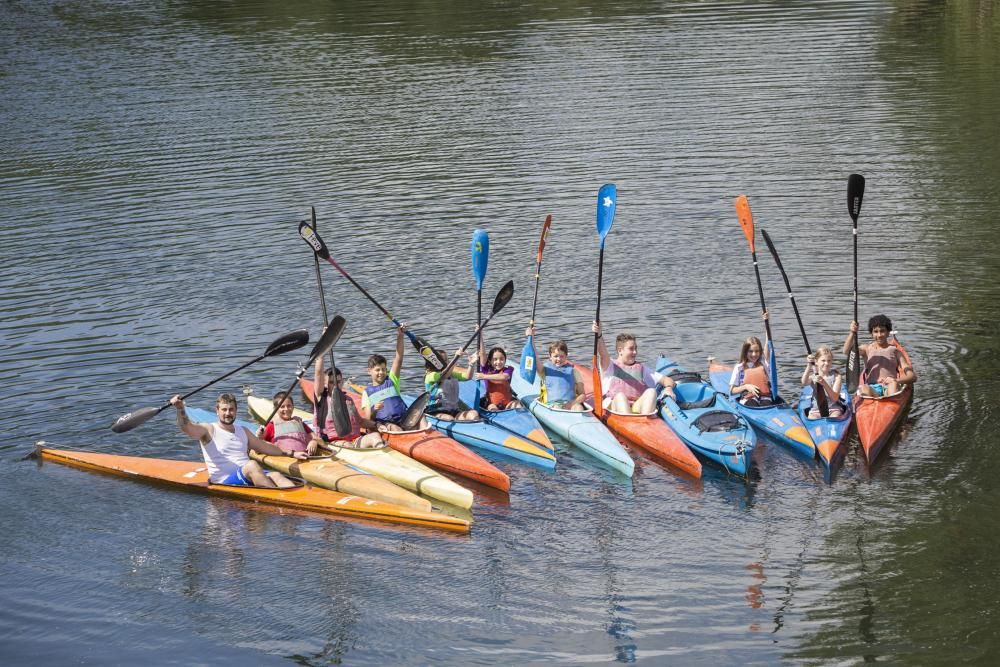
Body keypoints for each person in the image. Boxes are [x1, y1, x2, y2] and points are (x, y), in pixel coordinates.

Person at [170, 392, 304, 488]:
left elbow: (264, 446)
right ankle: (278, 501)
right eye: (224, 410)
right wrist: (180, 408)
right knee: (252, 465)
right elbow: (186, 427)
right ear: (217, 411)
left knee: (277, 475)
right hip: (224, 480)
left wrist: (292, 453)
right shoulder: (208, 430)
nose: (228, 413)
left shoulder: (243, 430)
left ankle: (297, 503)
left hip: (248, 475)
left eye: (231, 410)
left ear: (236, 411)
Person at [594, 320, 675, 414]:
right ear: (620, 350)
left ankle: (646, 422)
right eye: (631, 349)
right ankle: (628, 422)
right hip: (616, 408)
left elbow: (667, 380)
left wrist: (668, 388)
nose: (635, 352)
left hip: (636, 407)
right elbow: (603, 353)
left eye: (636, 348)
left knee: (652, 392)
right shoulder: (610, 365)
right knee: (620, 396)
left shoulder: (642, 368)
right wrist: (599, 335)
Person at [360, 326, 419, 431]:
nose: (381, 372)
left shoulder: (392, 379)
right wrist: (375, 410)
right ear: (369, 371)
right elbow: (369, 419)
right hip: (387, 424)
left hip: (404, 419)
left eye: (383, 369)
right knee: (395, 428)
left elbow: (399, 358)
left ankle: (428, 436)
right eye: (377, 370)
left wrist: (400, 336)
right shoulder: (366, 393)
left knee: (420, 416)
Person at [843, 314, 916, 397]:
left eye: (882, 331)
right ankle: (874, 404)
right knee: (863, 388)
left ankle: (889, 404)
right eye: (876, 331)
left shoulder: (896, 352)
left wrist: (896, 380)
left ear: (888, 332)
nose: (879, 335)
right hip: (872, 389)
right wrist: (852, 332)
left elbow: (912, 376)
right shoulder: (866, 349)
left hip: (890, 387)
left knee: (893, 385)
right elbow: (846, 351)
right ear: (871, 333)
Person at [525, 325, 587, 410]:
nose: (559, 359)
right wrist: (531, 337)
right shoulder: (544, 370)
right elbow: (535, 356)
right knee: (557, 407)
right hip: (553, 405)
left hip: (571, 404)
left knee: (579, 407)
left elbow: (583, 395)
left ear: (566, 356)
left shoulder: (574, 371)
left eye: (562, 356)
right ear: (550, 356)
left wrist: (571, 404)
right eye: (556, 356)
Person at [313, 354, 367, 442]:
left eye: (338, 382)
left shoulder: (348, 400)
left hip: (356, 440)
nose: (335, 385)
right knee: (347, 444)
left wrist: (377, 425)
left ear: (342, 382)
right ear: (325, 384)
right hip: (335, 442)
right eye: (331, 382)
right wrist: (321, 354)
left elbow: (360, 421)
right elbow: (318, 374)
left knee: (375, 437)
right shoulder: (321, 398)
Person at [257, 392, 324, 456]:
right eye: (282, 406)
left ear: (293, 407)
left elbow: (320, 441)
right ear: (276, 409)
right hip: (285, 460)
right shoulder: (271, 426)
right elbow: (258, 448)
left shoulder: (299, 423)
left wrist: (314, 442)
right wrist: (260, 437)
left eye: (289, 406)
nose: (286, 409)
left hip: (305, 457)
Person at [424, 348, 479, 421]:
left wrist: (471, 364)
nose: (445, 362)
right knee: (449, 418)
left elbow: (467, 377)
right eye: (441, 361)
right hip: (435, 412)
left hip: (454, 411)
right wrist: (456, 358)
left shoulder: (452, 374)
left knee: (473, 414)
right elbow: (444, 375)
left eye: (446, 360)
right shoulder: (431, 376)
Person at [475, 339, 524, 410]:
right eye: (495, 359)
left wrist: (484, 376)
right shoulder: (486, 369)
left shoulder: (508, 369)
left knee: (518, 405)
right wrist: (480, 333)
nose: (498, 362)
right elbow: (482, 354)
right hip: (492, 404)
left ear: (505, 360)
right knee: (492, 408)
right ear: (490, 361)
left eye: (501, 359)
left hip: (508, 404)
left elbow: (504, 377)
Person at [799, 346, 845, 418]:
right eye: (823, 360)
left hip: (833, 409)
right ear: (816, 362)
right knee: (812, 418)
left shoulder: (836, 376)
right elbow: (804, 382)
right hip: (816, 409)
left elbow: (835, 398)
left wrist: (824, 383)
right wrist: (809, 365)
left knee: (835, 417)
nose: (826, 363)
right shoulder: (813, 376)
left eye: (829, 360)